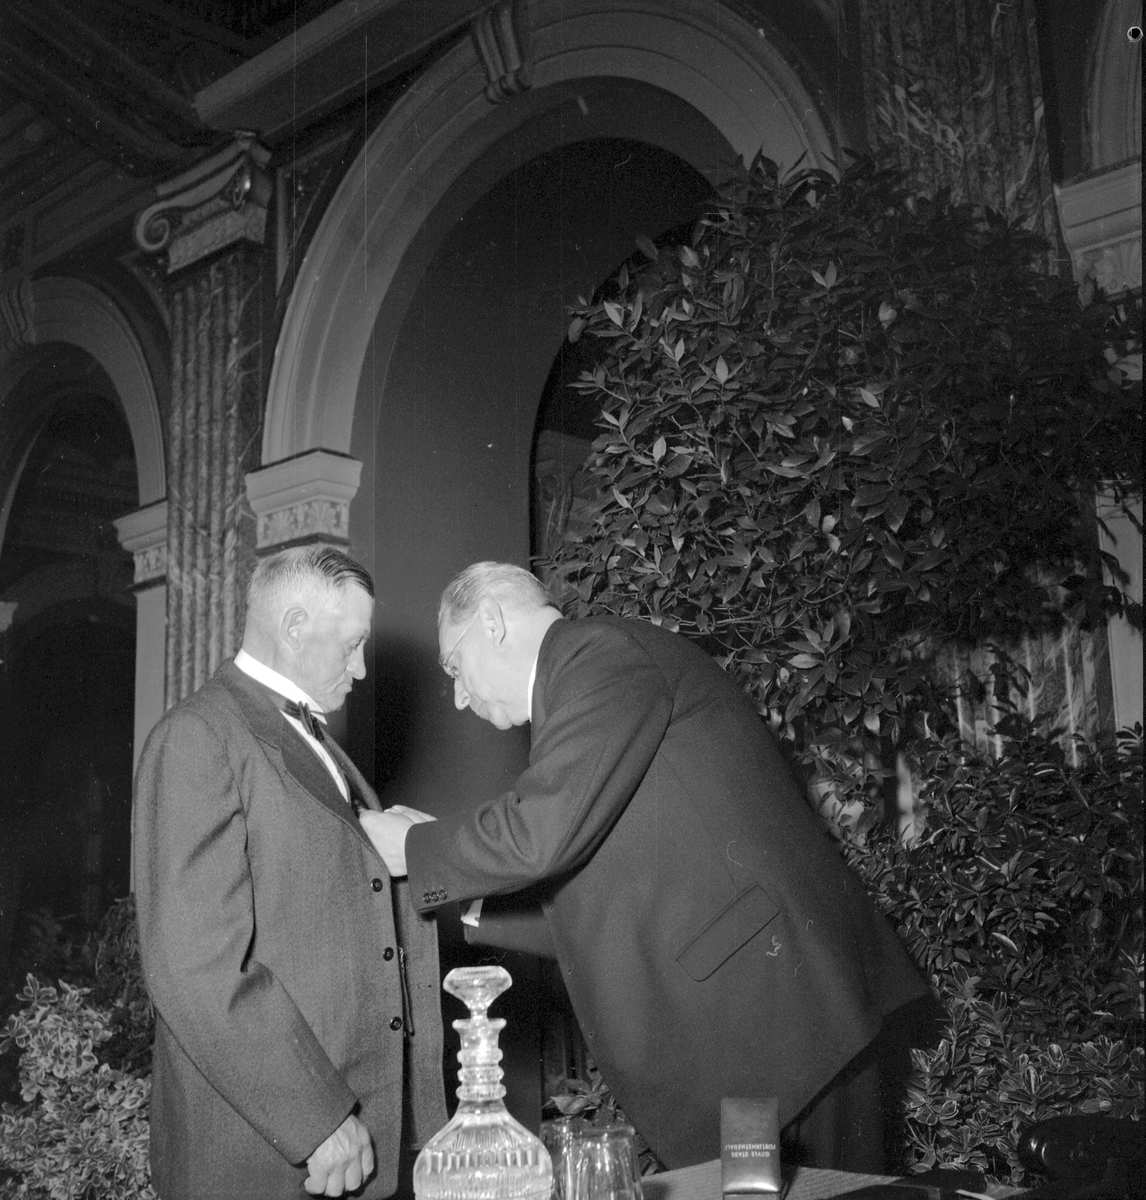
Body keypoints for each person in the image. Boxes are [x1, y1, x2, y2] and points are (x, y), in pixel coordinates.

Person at [362, 562, 928, 1173]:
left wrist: (416, 847)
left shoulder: (596, 655)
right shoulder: (584, 678)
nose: (458, 695)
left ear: (492, 621)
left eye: (454, 666)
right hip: (759, 1033)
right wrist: (466, 896)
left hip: (785, 1026)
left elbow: (542, 832)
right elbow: (597, 889)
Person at [133, 546, 446, 1200]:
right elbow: (194, 966)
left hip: (342, 1148)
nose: (361, 668)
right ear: (296, 627)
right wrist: (318, 1118)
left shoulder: (315, 743)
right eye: (353, 645)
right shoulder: (199, 735)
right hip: (263, 1154)